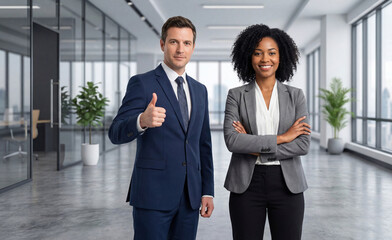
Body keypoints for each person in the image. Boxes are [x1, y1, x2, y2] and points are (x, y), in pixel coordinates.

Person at [109, 16, 214, 240]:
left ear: (193, 47)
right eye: (174, 42)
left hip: (190, 197)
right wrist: (141, 121)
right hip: (152, 196)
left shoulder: (200, 90)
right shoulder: (142, 83)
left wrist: (207, 191)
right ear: (162, 44)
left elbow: (203, 144)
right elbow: (115, 132)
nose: (180, 49)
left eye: (186, 43)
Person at [223, 24, 311, 240]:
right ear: (248, 57)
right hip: (246, 184)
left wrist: (253, 145)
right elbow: (233, 141)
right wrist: (283, 137)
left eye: (272, 53)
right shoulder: (236, 95)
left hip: (287, 185)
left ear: (281, 57)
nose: (265, 59)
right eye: (257, 53)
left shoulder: (296, 96)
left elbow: (302, 144)